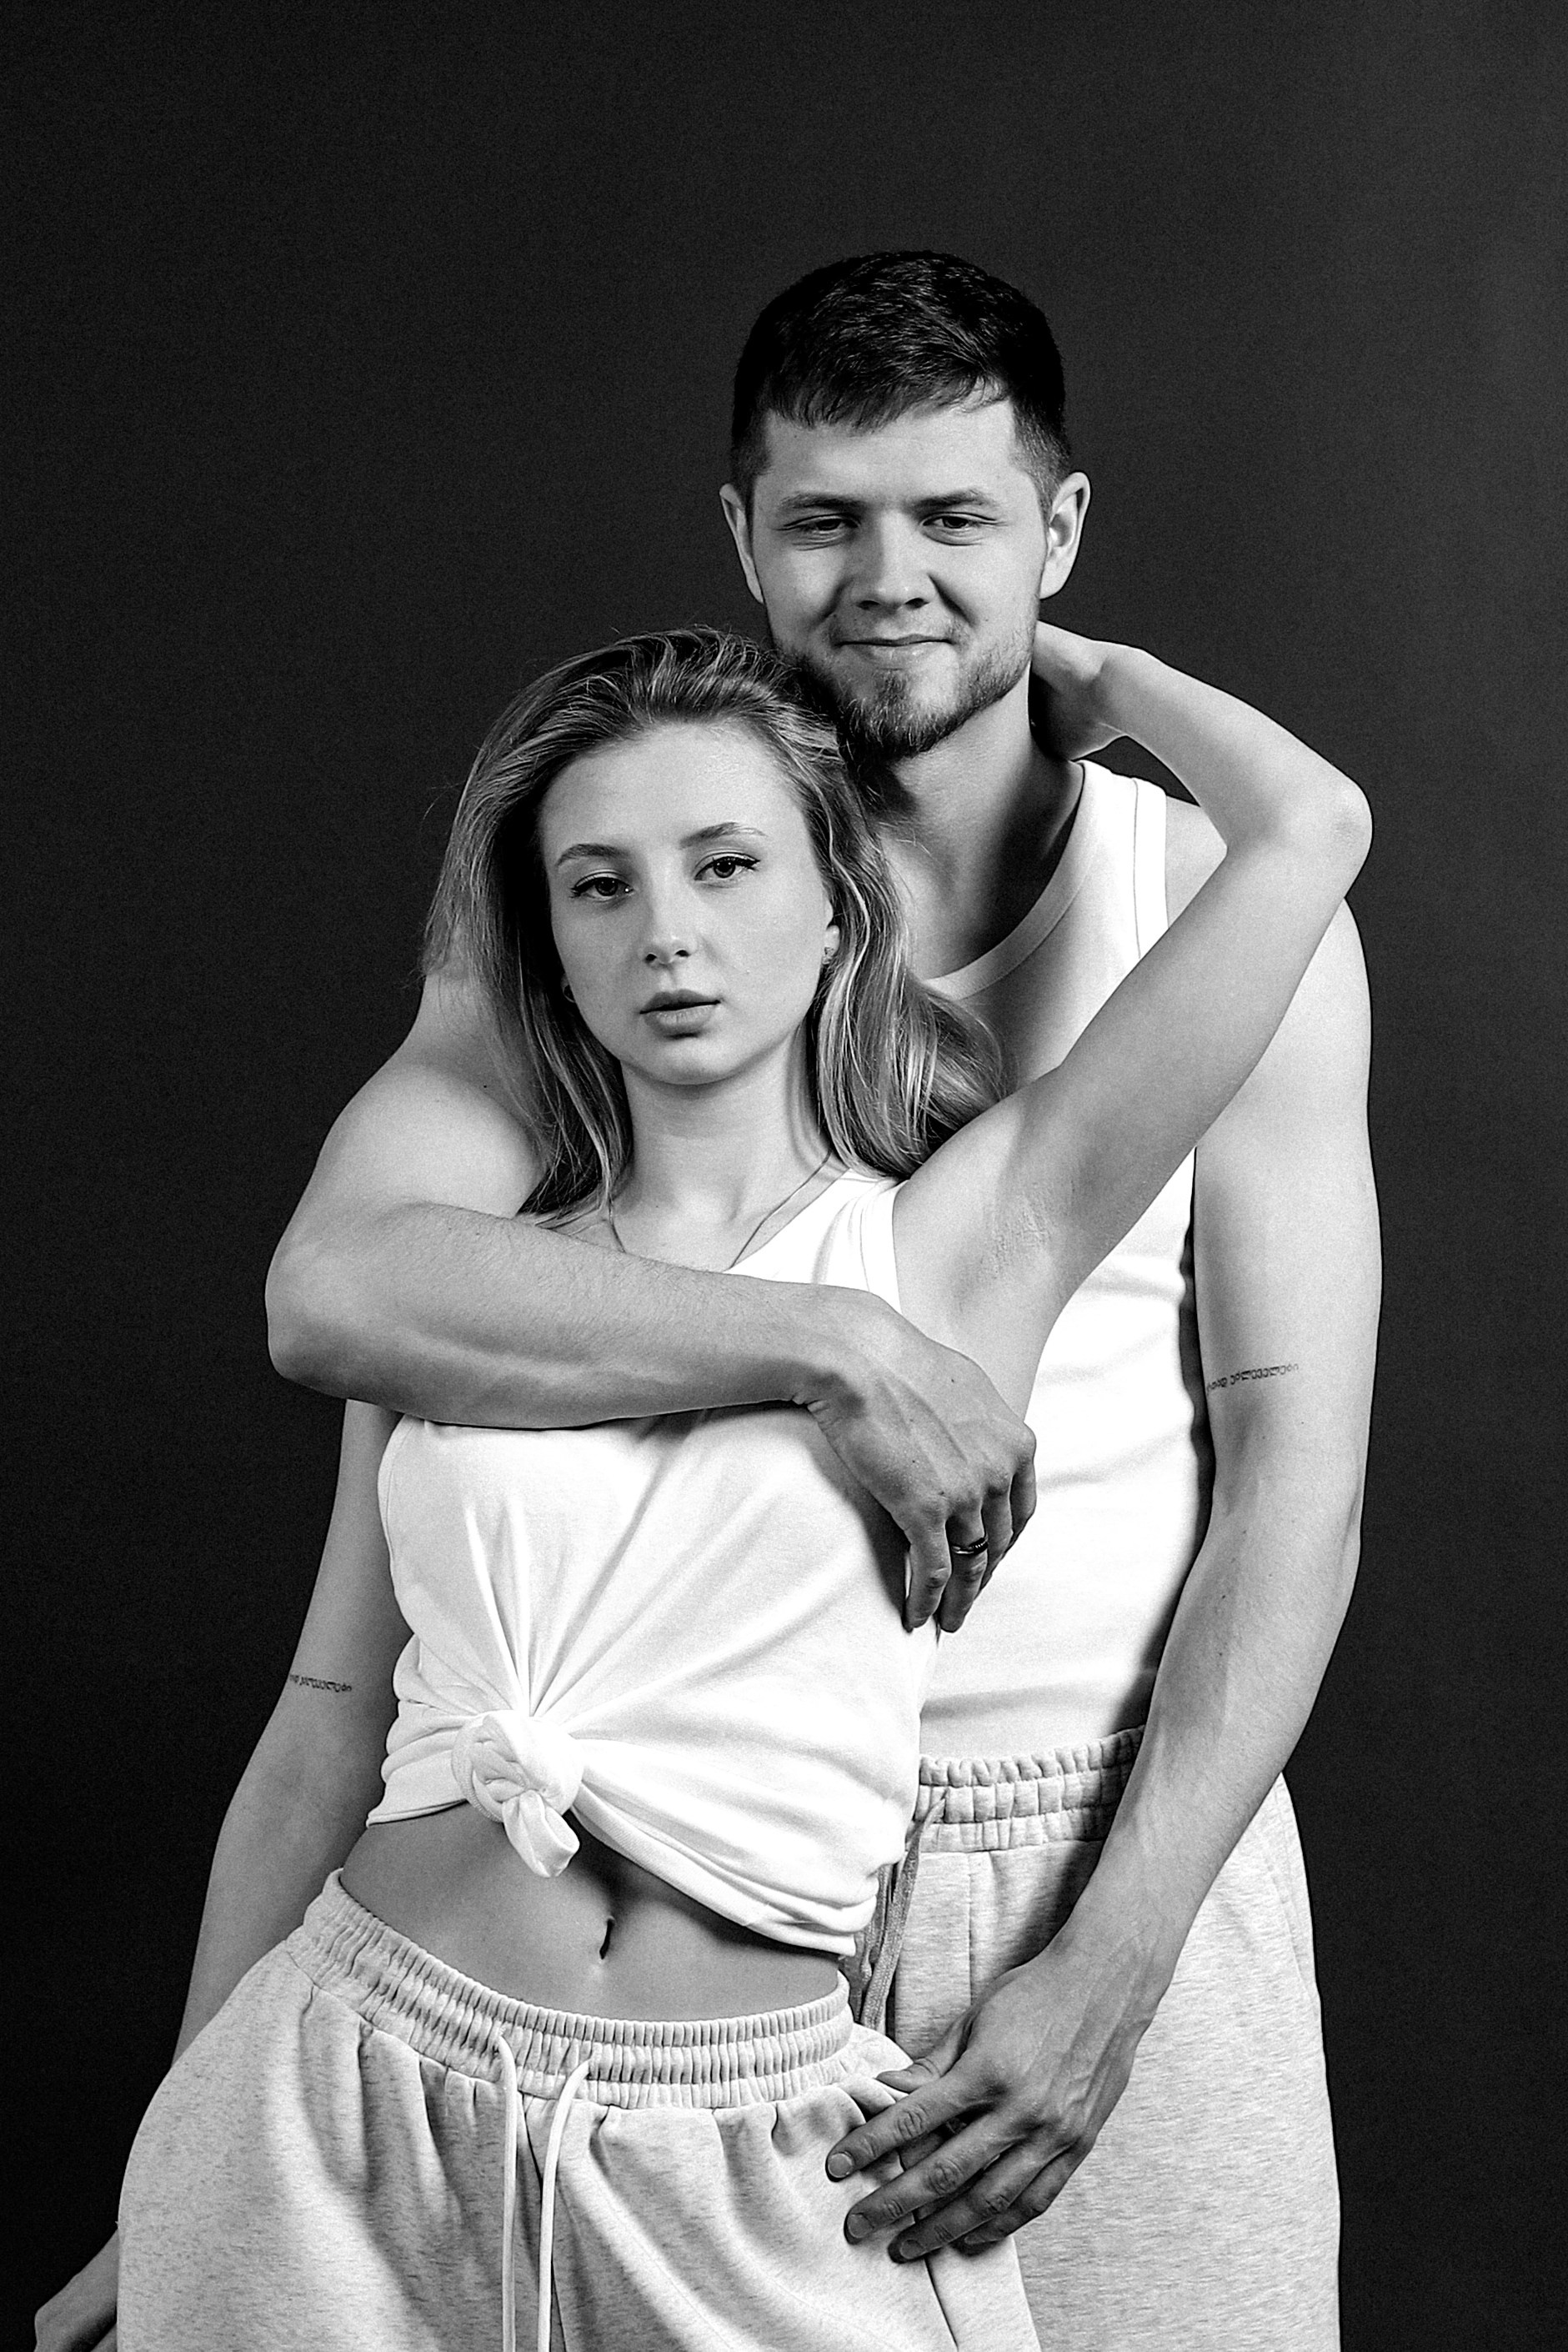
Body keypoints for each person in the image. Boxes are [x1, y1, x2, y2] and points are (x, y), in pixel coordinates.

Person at [38, 254, 1379, 2352]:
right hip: (605, 1894)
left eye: (954, 517)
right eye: (825, 518)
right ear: (741, 536)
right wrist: (840, 1351)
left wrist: (1115, 1948)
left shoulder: (1184, 931)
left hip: (1096, 1824)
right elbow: (341, 1299)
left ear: (1057, 528)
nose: (889, 580)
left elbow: (1297, 1467)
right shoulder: (598, 936)